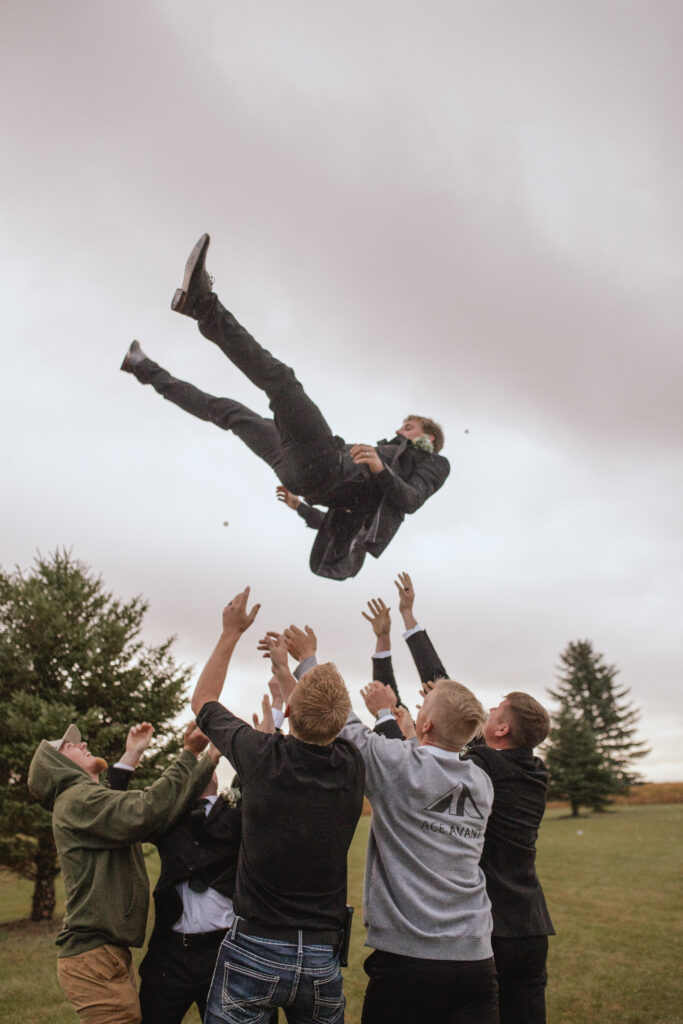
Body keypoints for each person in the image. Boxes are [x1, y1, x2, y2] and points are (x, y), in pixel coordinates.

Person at [120, 233, 449, 579]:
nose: (399, 430)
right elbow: (342, 518)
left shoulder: (435, 463)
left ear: (428, 435)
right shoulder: (384, 455)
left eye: (408, 427)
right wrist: (299, 507)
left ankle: (202, 305)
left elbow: (410, 501)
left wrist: (381, 469)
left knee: (282, 382)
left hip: (326, 463)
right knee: (231, 412)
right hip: (301, 472)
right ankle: (142, 367)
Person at [363, 574, 555, 1024]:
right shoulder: (533, 772)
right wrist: (408, 619)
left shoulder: (485, 771)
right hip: (532, 925)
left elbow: (444, 698)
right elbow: (447, 700)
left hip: (490, 932)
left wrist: (397, 641)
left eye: (495, 711)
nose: (485, 711)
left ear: (502, 730)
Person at [189, 587, 365, 1023]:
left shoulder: (261, 754)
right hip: (323, 957)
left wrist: (230, 633)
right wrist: (288, 669)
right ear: (341, 721)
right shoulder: (352, 763)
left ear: (291, 712)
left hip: (255, 947)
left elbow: (203, 704)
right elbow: (318, 715)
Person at [27, 720, 218, 1024]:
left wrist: (206, 758)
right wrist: (188, 753)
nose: (83, 744)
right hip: (94, 959)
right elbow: (146, 809)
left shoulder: (85, 802)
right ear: (59, 765)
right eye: (70, 746)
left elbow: (154, 810)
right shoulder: (78, 801)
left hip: (103, 955)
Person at [341, 680, 498, 1024]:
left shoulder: (400, 766)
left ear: (425, 725)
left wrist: (305, 659)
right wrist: (409, 733)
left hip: (409, 960)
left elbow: (345, 725)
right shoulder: (481, 784)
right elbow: (427, 767)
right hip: (476, 960)